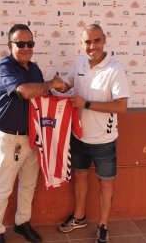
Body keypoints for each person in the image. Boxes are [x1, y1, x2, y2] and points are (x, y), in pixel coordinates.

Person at [0, 24, 66, 243]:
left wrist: (59, 88)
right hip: (10, 138)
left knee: (28, 185)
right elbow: (23, 91)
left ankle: (22, 223)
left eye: (29, 43)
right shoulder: (4, 67)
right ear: (9, 45)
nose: (25, 48)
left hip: (33, 137)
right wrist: (50, 83)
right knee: (3, 188)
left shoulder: (34, 69)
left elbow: (42, 95)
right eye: (20, 43)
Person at [56, 24, 130, 243]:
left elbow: (121, 107)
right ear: (82, 43)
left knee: (105, 184)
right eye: (87, 42)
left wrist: (85, 104)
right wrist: (57, 84)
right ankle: (79, 217)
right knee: (79, 177)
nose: (92, 46)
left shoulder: (115, 69)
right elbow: (68, 85)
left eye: (96, 40)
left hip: (104, 141)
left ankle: (103, 226)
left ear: (104, 40)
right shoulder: (79, 63)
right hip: (78, 136)